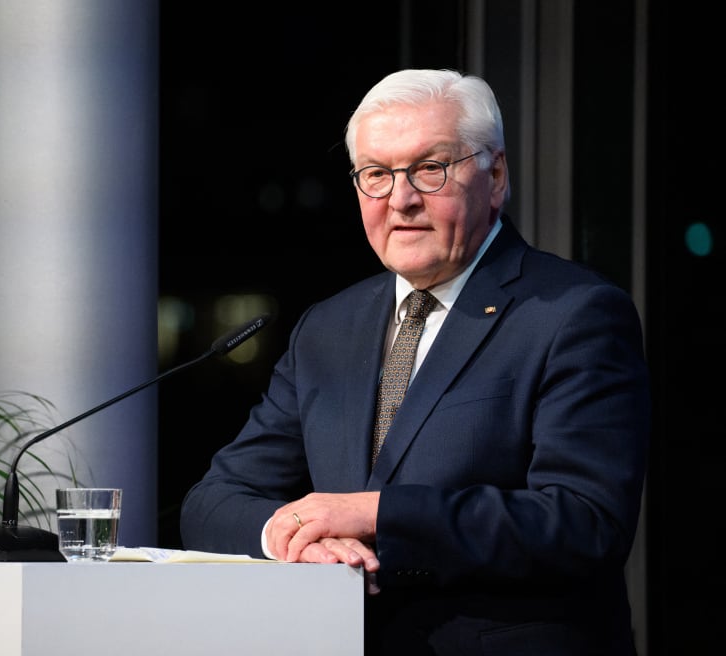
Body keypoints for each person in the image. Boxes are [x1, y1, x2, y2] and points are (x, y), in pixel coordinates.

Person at [180, 68, 650, 656]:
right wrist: (293, 538)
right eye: (376, 175)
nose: (400, 199)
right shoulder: (328, 326)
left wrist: (376, 515)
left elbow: (583, 522)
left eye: (430, 168)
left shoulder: (573, 313)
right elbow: (214, 501)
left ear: (495, 175)